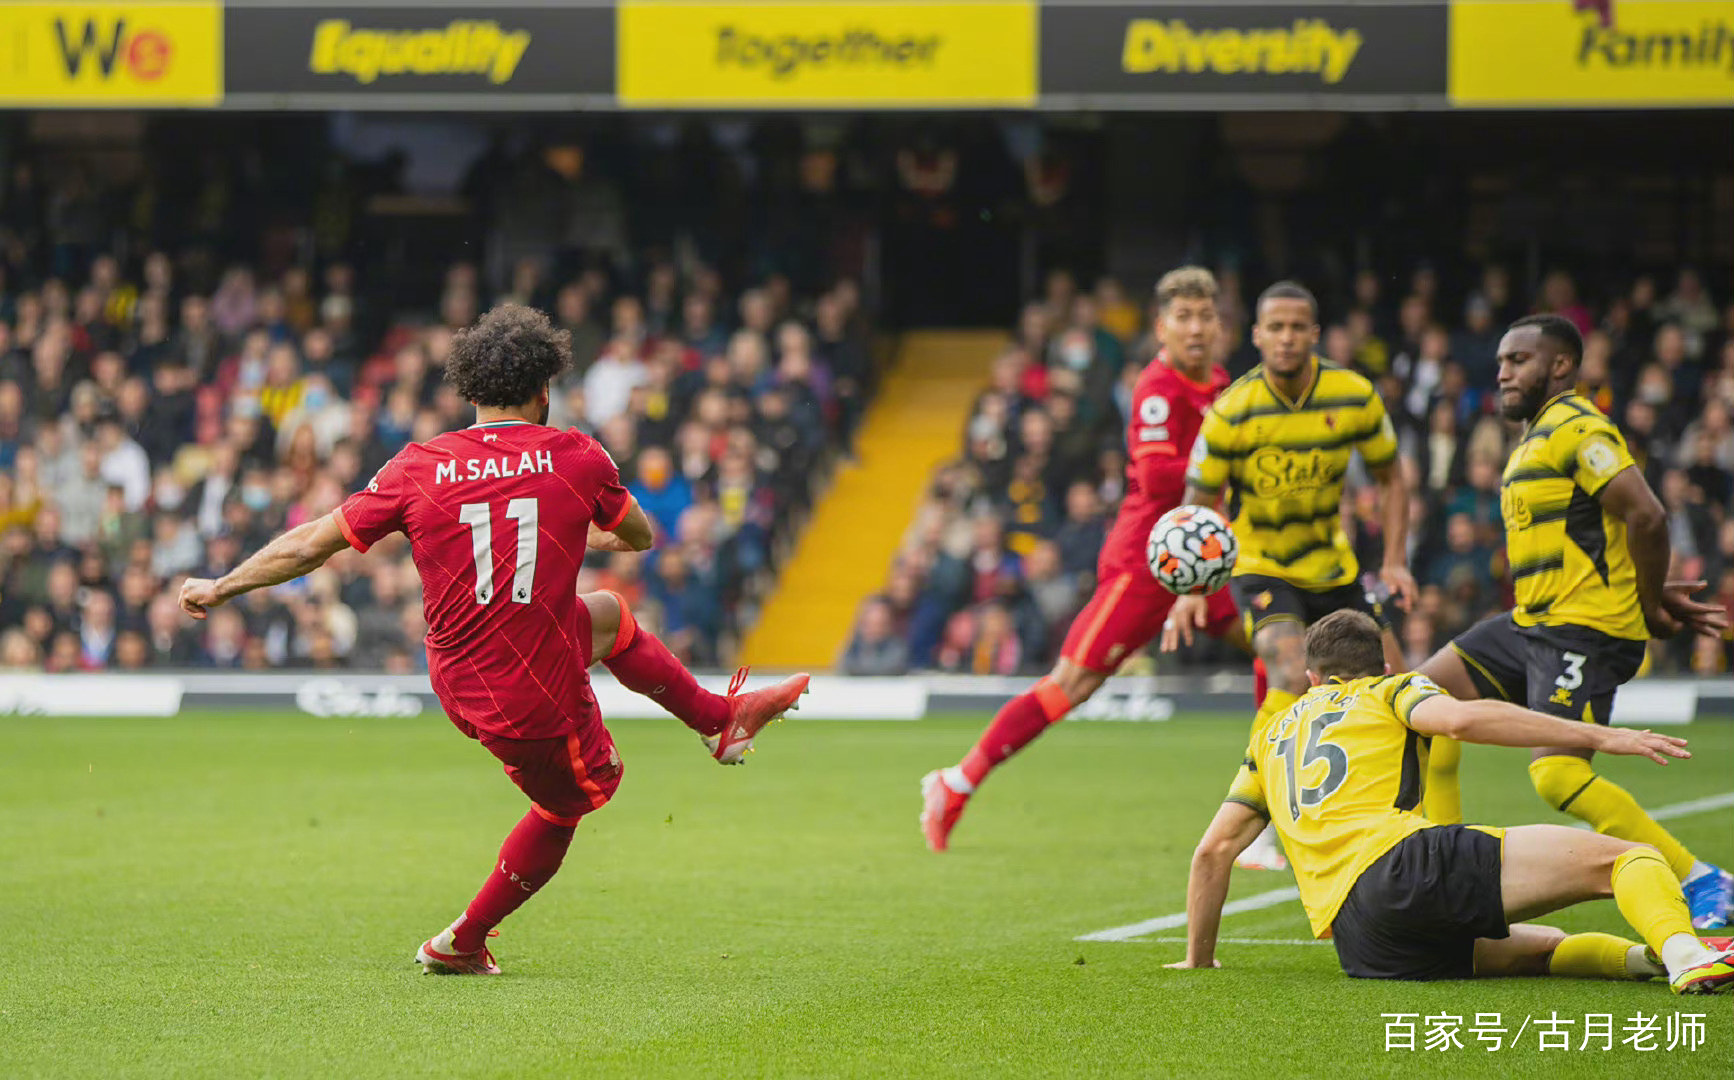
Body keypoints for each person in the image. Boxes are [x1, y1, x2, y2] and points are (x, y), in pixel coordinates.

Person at [180, 304, 809, 975]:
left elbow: (309, 545)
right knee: (578, 795)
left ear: (470, 390)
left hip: (459, 675)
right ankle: (460, 942)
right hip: (527, 694)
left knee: (608, 617)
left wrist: (221, 586)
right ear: (545, 391)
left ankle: (720, 721)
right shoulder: (577, 456)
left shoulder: (419, 464)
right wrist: (589, 529)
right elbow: (643, 536)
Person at [1169, 610, 1733, 993]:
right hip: (1402, 866)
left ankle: (1647, 960)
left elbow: (1212, 852)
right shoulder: (1390, 689)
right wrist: (1598, 735)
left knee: (1539, 949)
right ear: (1383, 664)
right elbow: (1460, 719)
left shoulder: (1267, 738)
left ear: (1313, 677)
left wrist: (1199, 957)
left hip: (1361, 939)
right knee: (1631, 860)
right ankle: (1687, 954)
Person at [1414, 314, 1733, 929]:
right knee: (1420, 704)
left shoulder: (1577, 427)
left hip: (1584, 630)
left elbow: (1646, 516)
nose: (1502, 372)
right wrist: (1651, 587)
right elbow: (1601, 535)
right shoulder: (1533, 437)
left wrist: (1644, 608)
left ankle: (1701, 879)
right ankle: (1441, 872)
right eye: (1501, 361)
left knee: (1557, 775)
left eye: (1518, 360)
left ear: (1560, 365)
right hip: (1531, 621)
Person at [920, 267, 1253, 852]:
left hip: (1202, 557)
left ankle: (1264, 815)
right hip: (1146, 564)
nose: (1196, 328)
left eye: (1206, 316)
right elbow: (1153, 473)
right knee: (1070, 684)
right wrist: (1232, 455)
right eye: (1184, 317)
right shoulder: (1158, 388)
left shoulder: (1219, 379)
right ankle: (957, 780)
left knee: (1276, 652)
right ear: (1160, 328)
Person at [1169, 281, 1416, 871]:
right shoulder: (1233, 408)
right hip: (1261, 566)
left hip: (1334, 569)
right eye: (1273, 327)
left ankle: (1412, 824)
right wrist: (1191, 589)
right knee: (1286, 667)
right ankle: (1255, 824)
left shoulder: (1353, 395)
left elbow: (1393, 478)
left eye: (1296, 327)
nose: (1285, 338)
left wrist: (1395, 558)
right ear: (1255, 335)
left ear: (1314, 333)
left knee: (1403, 682)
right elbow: (1198, 502)